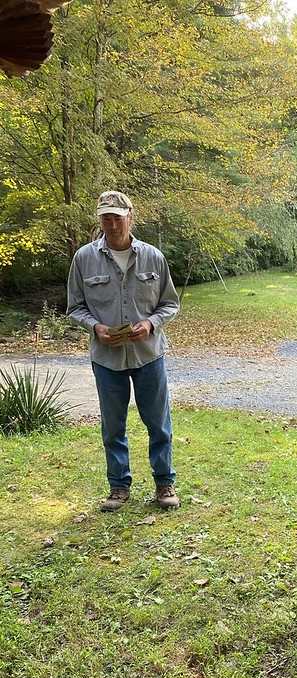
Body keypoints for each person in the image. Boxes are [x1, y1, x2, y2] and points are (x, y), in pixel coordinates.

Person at [67, 190, 181, 512]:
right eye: (106, 217)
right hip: (107, 359)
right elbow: (75, 307)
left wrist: (151, 324)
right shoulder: (83, 259)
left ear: (130, 217)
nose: (112, 224)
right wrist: (95, 328)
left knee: (158, 423)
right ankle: (118, 487)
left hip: (148, 355)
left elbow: (170, 304)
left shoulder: (153, 257)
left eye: (118, 217)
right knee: (113, 426)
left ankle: (164, 483)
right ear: (100, 219)